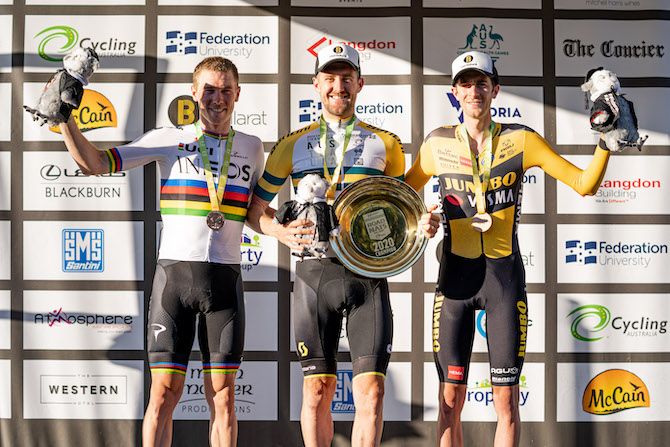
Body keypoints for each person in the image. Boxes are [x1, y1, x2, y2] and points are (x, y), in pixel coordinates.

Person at [405, 51, 612, 447]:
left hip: (503, 280)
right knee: (449, 400)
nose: (474, 91)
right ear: (454, 92)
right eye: (465, 83)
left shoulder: (522, 140)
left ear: (495, 89)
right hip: (455, 282)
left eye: (481, 83)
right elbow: (399, 199)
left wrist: (607, 141)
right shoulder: (437, 143)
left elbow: (584, 184)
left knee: (506, 400)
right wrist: (421, 222)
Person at [56, 57, 264, 447]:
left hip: (225, 283)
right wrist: (66, 121)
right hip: (174, 281)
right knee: (163, 394)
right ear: (193, 93)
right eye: (208, 90)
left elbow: (254, 213)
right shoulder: (167, 138)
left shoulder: (252, 147)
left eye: (225, 90)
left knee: (224, 397)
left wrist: (282, 230)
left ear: (237, 93)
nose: (217, 99)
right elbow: (97, 164)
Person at [247, 43, 438, 447]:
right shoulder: (292, 144)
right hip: (315, 277)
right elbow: (254, 210)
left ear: (360, 84)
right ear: (317, 84)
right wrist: (279, 232)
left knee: (372, 392)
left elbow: (402, 207)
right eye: (330, 78)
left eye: (346, 78)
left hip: (368, 278)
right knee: (317, 392)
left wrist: (422, 222)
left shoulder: (385, 143)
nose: (339, 86)